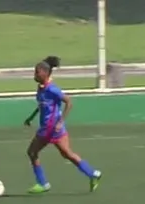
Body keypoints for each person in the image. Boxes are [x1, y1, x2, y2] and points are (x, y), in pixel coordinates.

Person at [23, 55, 102, 193]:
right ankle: (93, 174)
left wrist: (60, 122)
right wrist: (31, 117)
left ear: (45, 73)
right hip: (52, 128)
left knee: (32, 152)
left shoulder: (52, 89)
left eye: (37, 72)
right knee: (67, 154)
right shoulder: (41, 88)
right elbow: (42, 105)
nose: (34, 74)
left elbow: (69, 102)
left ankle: (42, 183)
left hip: (50, 128)